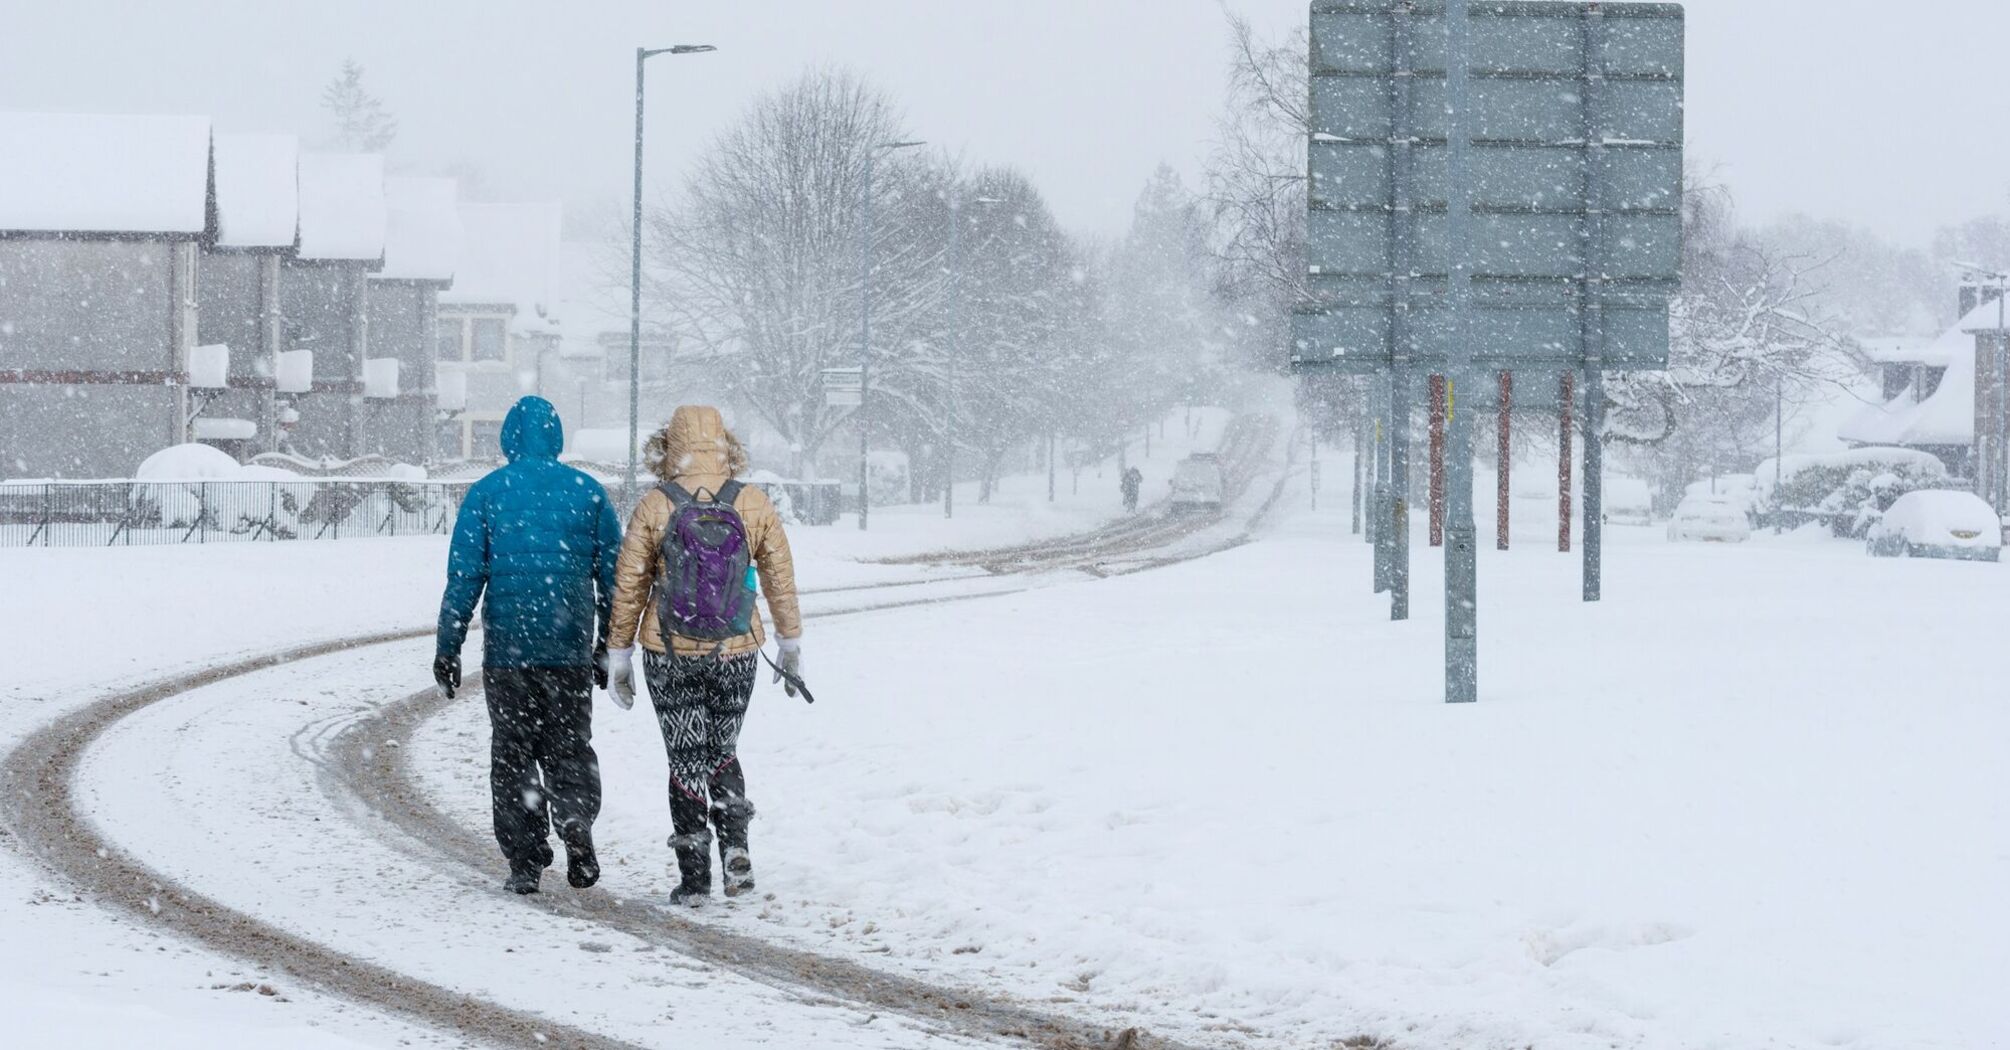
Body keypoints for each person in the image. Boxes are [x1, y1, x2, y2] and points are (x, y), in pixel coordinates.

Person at [603, 405, 802, 906]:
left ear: (668, 446)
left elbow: (629, 585)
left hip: (669, 651)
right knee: (723, 750)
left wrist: (619, 653)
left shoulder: (655, 504)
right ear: (726, 444)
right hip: (737, 648)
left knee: (685, 758)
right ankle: (736, 851)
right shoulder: (752, 502)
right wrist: (790, 642)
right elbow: (780, 577)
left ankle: (694, 878)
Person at [434, 396, 622, 896]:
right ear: (556, 437)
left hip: (509, 651)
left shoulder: (487, 494)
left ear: (508, 439)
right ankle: (575, 819)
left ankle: (524, 857)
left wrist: (448, 645)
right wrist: (608, 644)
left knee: (513, 753)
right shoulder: (588, 493)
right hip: (568, 647)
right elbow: (614, 579)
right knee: (569, 746)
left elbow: (465, 577)